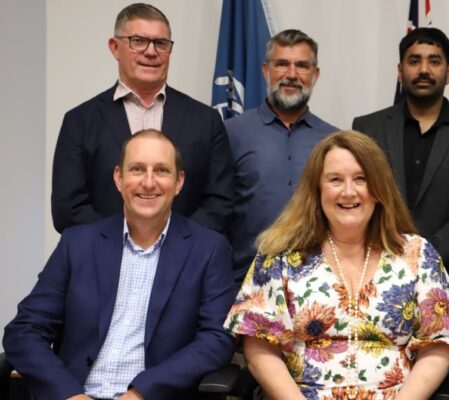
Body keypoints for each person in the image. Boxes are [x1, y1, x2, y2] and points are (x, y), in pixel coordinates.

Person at [224, 131, 449, 399]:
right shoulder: (279, 255)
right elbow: (258, 345)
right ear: (317, 190)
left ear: (378, 189)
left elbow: (440, 343)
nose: (349, 191)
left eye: (361, 179)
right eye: (335, 180)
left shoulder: (418, 254)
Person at [4, 130, 236, 400]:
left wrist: (142, 392)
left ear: (179, 181)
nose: (148, 183)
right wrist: (69, 394)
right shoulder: (77, 243)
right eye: (137, 169)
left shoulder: (208, 249)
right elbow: (24, 331)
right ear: (118, 178)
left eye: (161, 170)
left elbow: (217, 340)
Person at [352, 27, 449, 320]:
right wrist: (393, 251)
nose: (424, 69)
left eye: (434, 61)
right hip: (377, 275)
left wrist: (425, 253)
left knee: (448, 367)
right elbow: (357, 197)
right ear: (400, 70)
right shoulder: (367, 129)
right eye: (414, 60)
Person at [51, 3, 233, 235]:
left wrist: (171, 247)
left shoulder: (206, 120)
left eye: (161, 43)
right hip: (104, 264)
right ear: (115, 48)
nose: (151, 51)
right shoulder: (80, 122)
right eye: (138, 41)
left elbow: (220, 202)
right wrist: (126, 246)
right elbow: (67, 208)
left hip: (185, 264)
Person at [225, 29, 336, 281]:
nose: (291, 75)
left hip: (317, 282)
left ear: (315, 75)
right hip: (243, 280)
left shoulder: (333, 141)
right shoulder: (231, 133)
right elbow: (218, 208)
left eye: (302, 66)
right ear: (266, 70)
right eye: (282, 64)